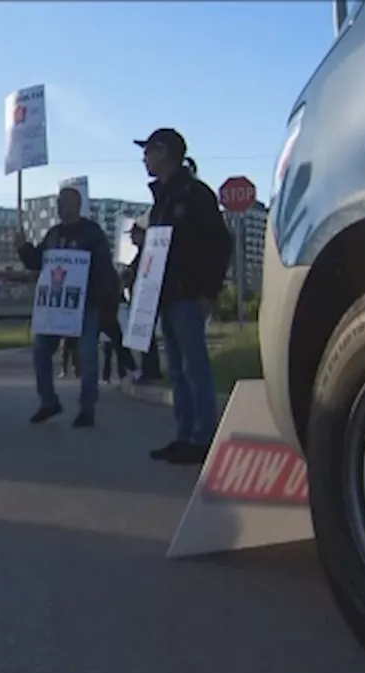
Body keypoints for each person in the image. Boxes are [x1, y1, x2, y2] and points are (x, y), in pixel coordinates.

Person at [134, 128, 234, 465]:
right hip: (165, 294)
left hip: (189, 294)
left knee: (195, 368)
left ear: (164, 153)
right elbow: (163, 247)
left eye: (148, 150)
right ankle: (184, 434)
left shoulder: (194, 194)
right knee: (176, 369)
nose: (144, 157)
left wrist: (209, 290)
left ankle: (203, 438)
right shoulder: (162, 199)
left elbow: (221, 243)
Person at [16, 186, 117, 427]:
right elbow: (37, 262)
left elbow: (104, 268)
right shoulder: (53, 234)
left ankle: (87, 408)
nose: (61, 207)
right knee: (41, 350)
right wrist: (23, 247)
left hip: (84, 305)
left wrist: (98, 299)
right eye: (59, 202)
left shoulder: (92, 233)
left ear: (78, 205)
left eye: (65, 202)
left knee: (87, 357)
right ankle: (48, 402)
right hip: (55, 306)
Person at [121, 216, 163, 384]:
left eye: (134, 234)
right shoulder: (140, 253)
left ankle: (151, 371)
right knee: (144, 339)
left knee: (146, 339)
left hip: (146, 301)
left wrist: (128, 275)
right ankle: (149, 370)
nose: (131, 238)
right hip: (140, 300)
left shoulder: (147, 253)